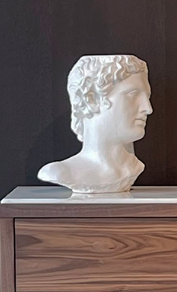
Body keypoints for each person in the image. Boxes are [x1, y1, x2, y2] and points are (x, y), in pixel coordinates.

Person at [38, 54, 151, 194]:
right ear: (92, 99)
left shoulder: (134, 167)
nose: (148, 108)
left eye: (147, 97)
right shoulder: (61, 172)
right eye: (133, 94)